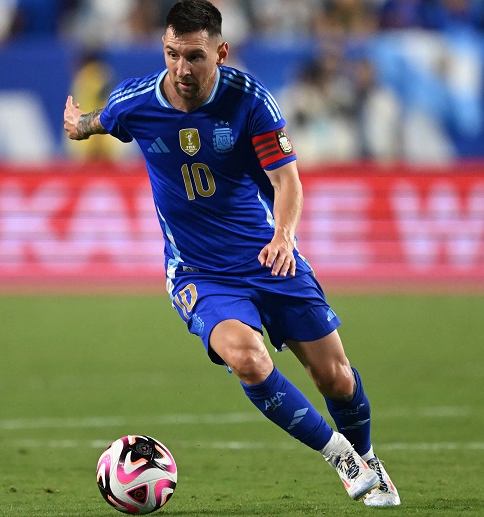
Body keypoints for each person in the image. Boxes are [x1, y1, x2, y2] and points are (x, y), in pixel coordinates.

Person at [63, 0, 400, 508]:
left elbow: (288, 181)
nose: (183, 69)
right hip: (199, 273)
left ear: (221, 52)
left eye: (195, 57)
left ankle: (368, 456)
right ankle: (341, 457)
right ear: (164, 49)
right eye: (174, 54)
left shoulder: (251, 102)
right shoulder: (136, 102)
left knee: (335, 376)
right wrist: (77, 124)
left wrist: (284, 235)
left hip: (269, 256)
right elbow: (98, 121)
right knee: (247, 358)